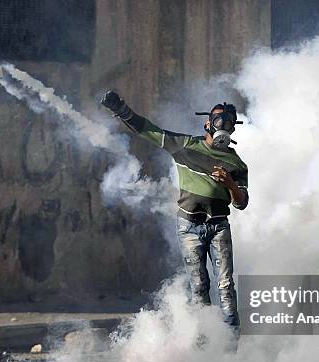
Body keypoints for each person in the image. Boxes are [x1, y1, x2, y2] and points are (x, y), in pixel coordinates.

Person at [101, 91, 248, 333]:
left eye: (229, 121)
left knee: (225, 285)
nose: (224, 124)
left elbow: (241, 203)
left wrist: (230, 184)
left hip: (219, 226)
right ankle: (204, 345)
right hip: (189, 227)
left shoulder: (237, 164)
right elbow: (149, 130)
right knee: (199, 286)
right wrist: (120, 109)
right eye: (219, 119)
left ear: (233, 128)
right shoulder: (185, 145)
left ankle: (230, 347)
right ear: (207, 123)